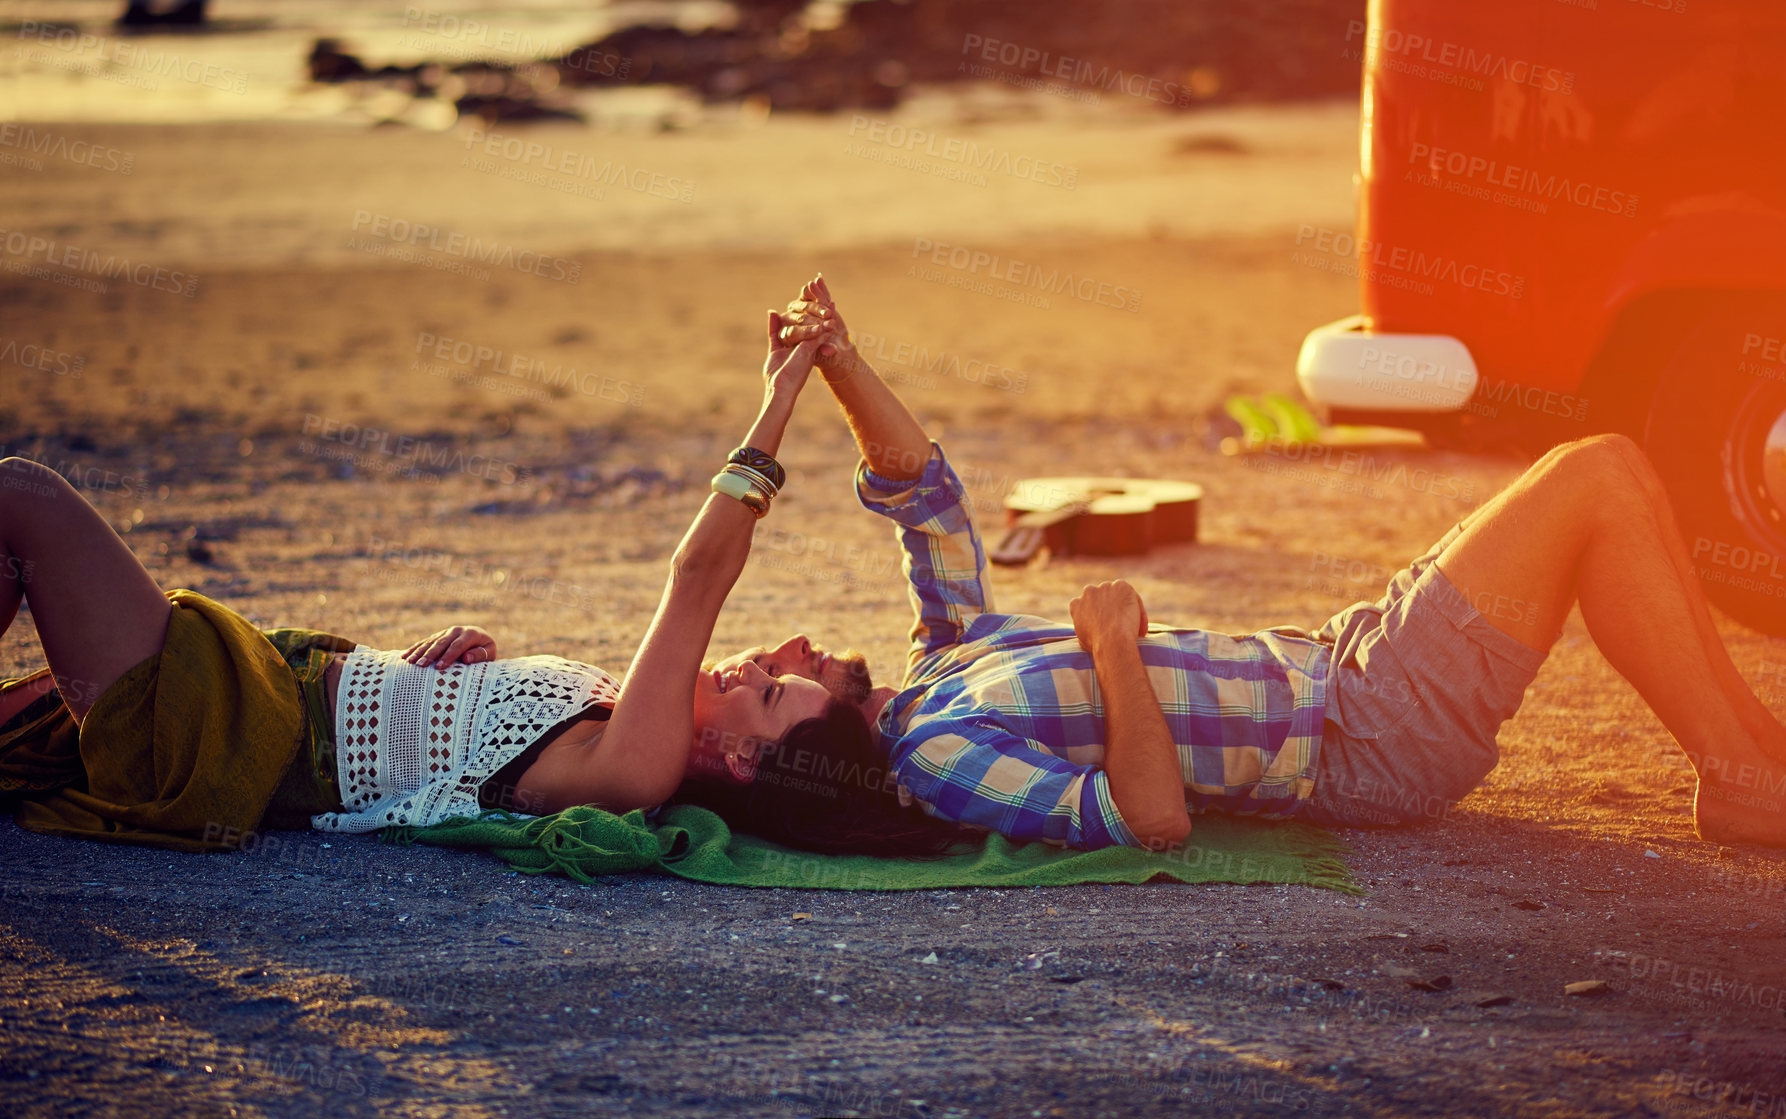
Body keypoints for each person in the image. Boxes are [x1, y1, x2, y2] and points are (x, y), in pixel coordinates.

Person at [719, 276, 1786, 851]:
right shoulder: (937, 761)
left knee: (1614, 479)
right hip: (1363, 735)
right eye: (774, 690)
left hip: (1344, 658)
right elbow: (1147, 821)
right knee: (1595, 474)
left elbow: (927, 504)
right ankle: (1742, 780)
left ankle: (1749, 759)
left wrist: (839, 367)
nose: (789, 655)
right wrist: (1110, 649)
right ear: (805, 757)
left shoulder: (942, 668)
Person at [0, 291, 955, 856]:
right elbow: (468, 758)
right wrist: (439, 681)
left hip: (225, 733)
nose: (752, 666)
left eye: (772, 693)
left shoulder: (641, 766)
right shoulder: (613, 721)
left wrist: (779, 394)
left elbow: (696, 575)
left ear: (746, 759)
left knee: (24, 497)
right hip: (257, 686)